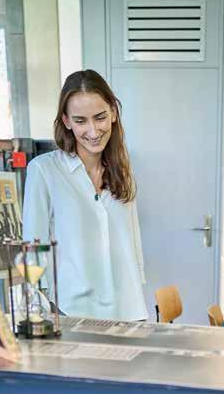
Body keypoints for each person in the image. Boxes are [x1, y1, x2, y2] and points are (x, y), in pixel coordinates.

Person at [22, 69, 148, 320]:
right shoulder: (44, 170)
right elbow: (33, 250)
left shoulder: (122, 171)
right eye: (80, 121)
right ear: (67, 121)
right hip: (72, 312)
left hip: (128, 310)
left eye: (100, 117)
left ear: (113, 113)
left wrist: (138, 287)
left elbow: (132, 242)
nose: (93, 130)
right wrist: (42, 309)